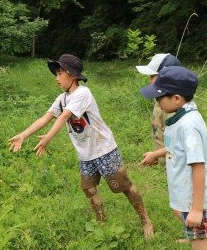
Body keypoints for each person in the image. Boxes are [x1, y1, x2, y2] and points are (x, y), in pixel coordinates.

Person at [8, 54, 154, 239]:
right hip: (85, 154)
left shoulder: (83, 93)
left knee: (123, 186)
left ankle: (145, 220)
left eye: (61, 73)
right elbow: (45, 118)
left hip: (103, 148)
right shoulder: (61, 99)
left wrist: (48, 138)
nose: (57, 77)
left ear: (73, 75)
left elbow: (64, 117)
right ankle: (101, 225)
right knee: (88, 189)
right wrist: (23, 135)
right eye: (56, 73)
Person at [139, 66, 207, 250]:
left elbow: (198, 165)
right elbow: (179, 147)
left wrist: (196, 209)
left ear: (177, 98)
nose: (157, 102)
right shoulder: (183, 117)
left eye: (160, 97)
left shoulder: (187, 126)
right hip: (202, 200)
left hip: (197, 203)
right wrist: (157, 153)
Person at [135, 53, 182, 171]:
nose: (149, 80)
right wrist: (159, 154)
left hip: (178, 166)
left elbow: (179, 144)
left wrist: (155, 154)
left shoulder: (172, 108)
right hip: (168, 161)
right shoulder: (161, 101)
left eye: (152, 76)